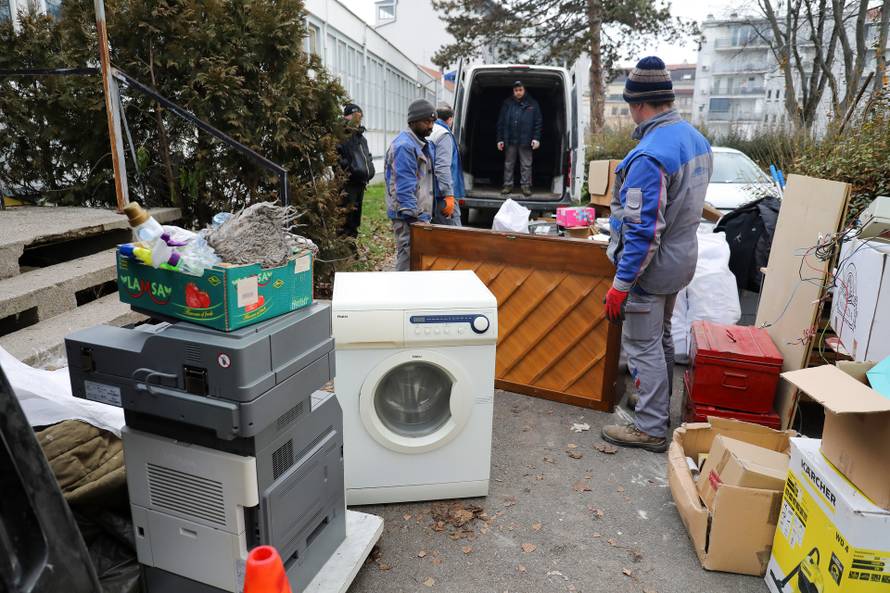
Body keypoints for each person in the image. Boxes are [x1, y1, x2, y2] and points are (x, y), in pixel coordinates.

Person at [600, 56, 713, 453]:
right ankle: (657, 407)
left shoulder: (649, 156)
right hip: (681, 260)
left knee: (642, 344)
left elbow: (644, 233)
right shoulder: (694, 139)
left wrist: (621, 283)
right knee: (661, 338)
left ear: (639, 105)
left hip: (653, 268)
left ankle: (649, 427)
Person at [385, 98, 438, 271]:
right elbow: (405, 186)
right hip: (408, 216)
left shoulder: (420, 144)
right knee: (408, 257)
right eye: (426, 122)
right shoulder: (405, 146)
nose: (430, 126)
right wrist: (415, 219)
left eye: (432, 122)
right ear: (413, 121)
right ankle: (401, 295)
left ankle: (410, 293)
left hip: (417, 214)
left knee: (414, 258)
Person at [496, 80, 542, 197]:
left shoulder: (532, 104)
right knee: (508, 164)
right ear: (513, 91)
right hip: (510, 139)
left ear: (524, 90)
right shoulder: (507, 103)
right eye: (516, 90)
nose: (518, 92)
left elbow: (538, 122)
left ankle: (526, 186)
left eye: (520, 90)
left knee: (526, 164)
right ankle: (507, 185)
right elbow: (501, 122)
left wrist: (536, 138)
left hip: (526, 140)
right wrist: (500, 139)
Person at [337, 103, 375, 243]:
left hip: (360, 184)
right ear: (346, 117)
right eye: (354, 116)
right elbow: (336, 157)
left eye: (359, 117)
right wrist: (350, 169)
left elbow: (367, 155)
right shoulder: (341, 135)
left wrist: (368, 169)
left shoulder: (361, 138)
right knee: (345, 218)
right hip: (347, 184)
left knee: (355, 218)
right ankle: (343, 249)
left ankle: (351, 245)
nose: (357, 120)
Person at [429, 103, 464, 226]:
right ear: (450, 119)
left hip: (428, 193)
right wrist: (448, 194)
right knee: (456, 237)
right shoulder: (444, 134)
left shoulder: (430, 131)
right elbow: (443, 168)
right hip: (442, 196)